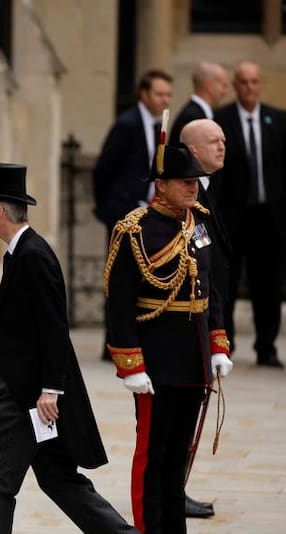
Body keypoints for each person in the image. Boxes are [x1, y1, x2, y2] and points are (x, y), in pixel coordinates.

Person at [0, 162, 136, 534]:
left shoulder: (33, 255)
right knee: (58, 478)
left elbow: (54, 327)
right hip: (29, 388)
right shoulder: (19, 252)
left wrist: (50, 390)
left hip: (27, 394)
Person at [105, 144, 234, 533]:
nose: (193, 188)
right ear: (161, 185)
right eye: (185, 182)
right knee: (153, 454)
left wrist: (217, 346)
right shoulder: (135, 230)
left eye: (196, 181)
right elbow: (120, 303)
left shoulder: (198, 223)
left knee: (180, 455)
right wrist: (131, 363)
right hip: (156, 360)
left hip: (192, 358)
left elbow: (209, 291)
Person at [94, 69, 173, 361]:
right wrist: (107, 209)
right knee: (118, 278)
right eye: (159, 94)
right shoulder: (127, 125)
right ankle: (112, 340)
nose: (165, 99)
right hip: (122, 213)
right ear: (144, 94)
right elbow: (104, 169)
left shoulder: (157, 126)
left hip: (146, 213)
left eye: (168, 94)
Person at [213, 60, 286, 368]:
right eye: (243, 82)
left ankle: (266, 346)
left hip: (269, 217)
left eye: (254, 82)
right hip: (233, 218)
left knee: (268, 285)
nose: (249, 88)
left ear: (261, 84)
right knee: (227, 283)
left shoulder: (278, 120)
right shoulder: (221, 120)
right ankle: (225, 344)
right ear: (235, 85)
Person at [177, 118, 231, 519]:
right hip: (185, 328)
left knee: (192, 411)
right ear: (192, 151)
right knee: (177, 421)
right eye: (214, 141)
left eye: (224, 140)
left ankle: (177, 487)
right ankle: (171, 491)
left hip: (207, 319)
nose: (222, 145)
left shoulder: (212, 191)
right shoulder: (183, 201)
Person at [168, 62, 229, 146]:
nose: (225, 92)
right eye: (223, 85)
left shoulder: (197, 113)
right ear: (209, 86)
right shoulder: (193, 118)